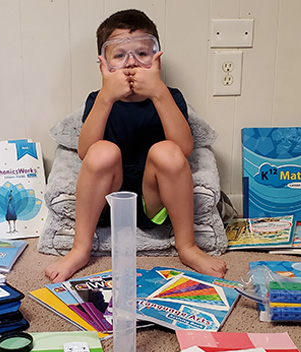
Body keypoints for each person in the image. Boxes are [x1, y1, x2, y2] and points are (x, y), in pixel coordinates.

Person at [45, 9, 227, 283]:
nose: (131, 63)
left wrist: (158, 92)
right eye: (119, 56)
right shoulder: (98, 99)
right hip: (108, 205)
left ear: (157, 60)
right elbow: (85, 152)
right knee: (102, 151)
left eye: (142, 54)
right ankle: (80, 249)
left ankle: (187, 246)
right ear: (103, 65)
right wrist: (106, 97)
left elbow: (184, 150)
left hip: (155, 203)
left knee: (167, 151)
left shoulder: (169, 96)